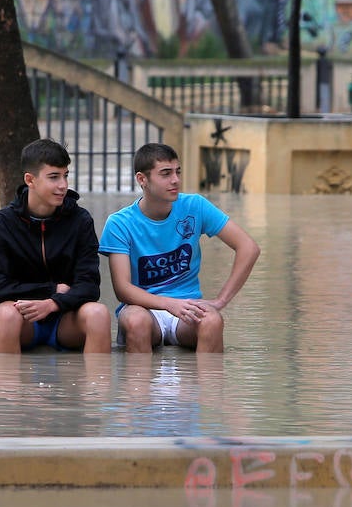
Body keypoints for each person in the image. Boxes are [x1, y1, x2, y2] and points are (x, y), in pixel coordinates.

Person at [98, 142, 260, 353]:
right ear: (142, 179)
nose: (175, 180)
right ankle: (137, 385)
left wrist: (221, 301)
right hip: (143, 310)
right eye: (165, 173)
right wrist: (168, 304)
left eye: (177, 172)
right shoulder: (119, 223)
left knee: (212, 321)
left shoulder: (195, 206)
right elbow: (123, 289)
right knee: (136, 321)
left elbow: (249, 248)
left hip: (187, 308)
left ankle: (209, 386)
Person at [0, 138, 112, 354]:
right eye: (54, 177)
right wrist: (49, 290)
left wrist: (53, 302)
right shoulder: (1, 223)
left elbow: (90, 286)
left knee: (98, 314)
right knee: (5, 314)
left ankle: (96, 388)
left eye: (65, 176)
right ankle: (7, 388)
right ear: (30, 180)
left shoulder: (80, 220)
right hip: (23, 319)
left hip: (66, 317)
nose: (63, 185)